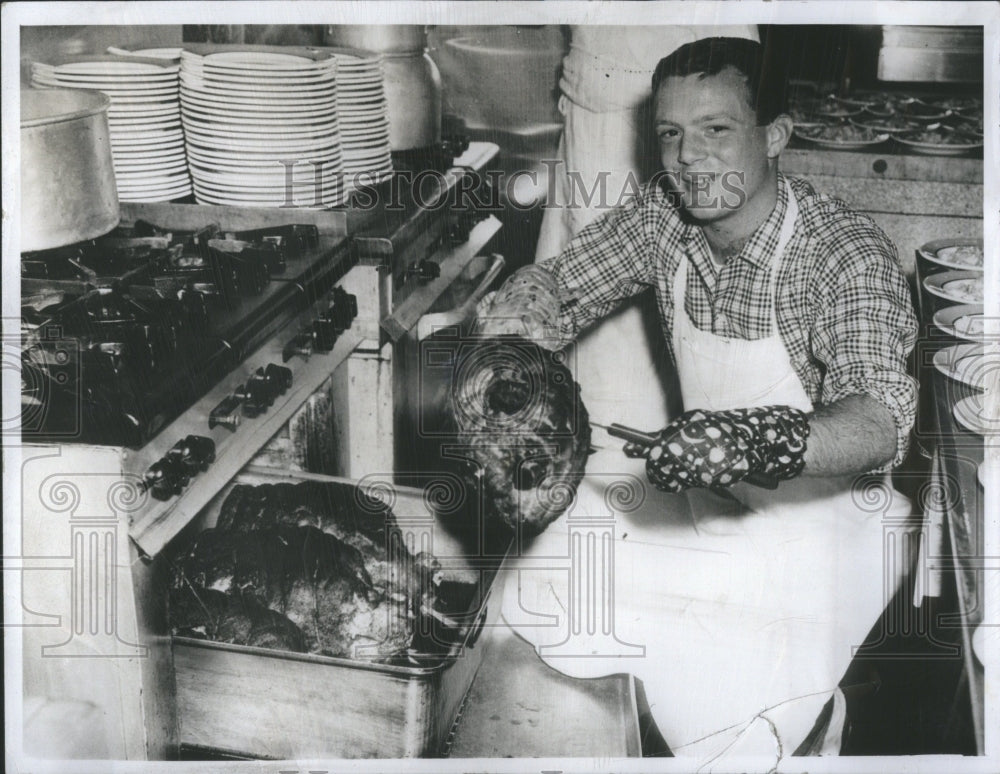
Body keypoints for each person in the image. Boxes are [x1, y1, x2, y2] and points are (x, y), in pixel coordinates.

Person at [479, 37, 918, 761]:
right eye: (671, 135)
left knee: (719, 702)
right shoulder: (665, 219)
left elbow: (878, 418)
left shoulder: (845, 252)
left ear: (775, 135)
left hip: (828, 529)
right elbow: (561, 282)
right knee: (541, 583)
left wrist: (752, 441)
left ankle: (800, 738)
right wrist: (512, 334)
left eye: (716, 130)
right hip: (711, 503)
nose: (689, 158)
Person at [536, 25, 758, 431]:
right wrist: (512, 323)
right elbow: (570, 281)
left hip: (676, 152)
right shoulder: (644, 222)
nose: (689, 154)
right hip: (590, 159)